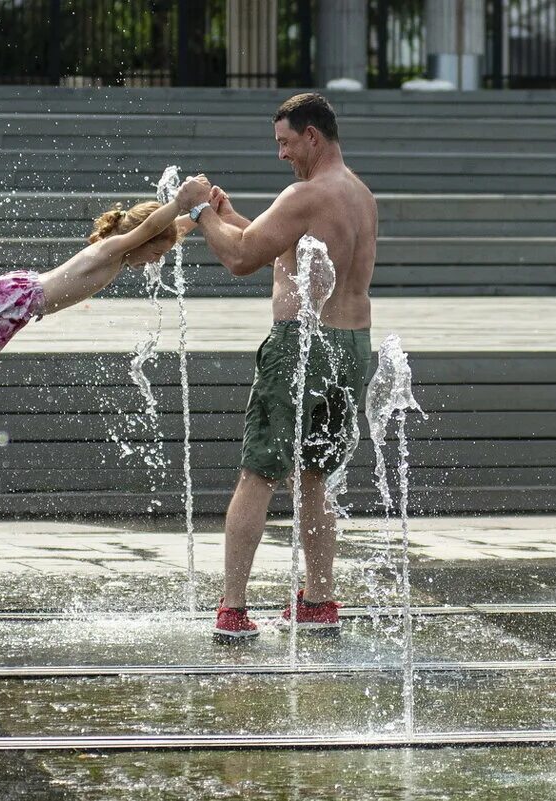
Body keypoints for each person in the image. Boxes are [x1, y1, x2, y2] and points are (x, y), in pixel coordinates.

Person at [176, 93, 376, 640]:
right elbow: (281, 254)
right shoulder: (358, 195)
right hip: (353, 346)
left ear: (312, 135)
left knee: (258, 473)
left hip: (301, 347)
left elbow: (241, 258)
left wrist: (197, 211)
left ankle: (233, 608)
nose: (282, 155)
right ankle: (317, 599)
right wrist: (227, 216)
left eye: (285, 143)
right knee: (314, 477)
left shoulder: (306, 194)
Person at [0, 184, 202, 368]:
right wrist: (179, 201)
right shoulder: (114, 249)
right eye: (155, 254)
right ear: (142, 241)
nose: (154, 262)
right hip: (23, 299)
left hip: (19, 289)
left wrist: (200, 213)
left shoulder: (118, 253)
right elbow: (151, 228)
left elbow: (167, 232)